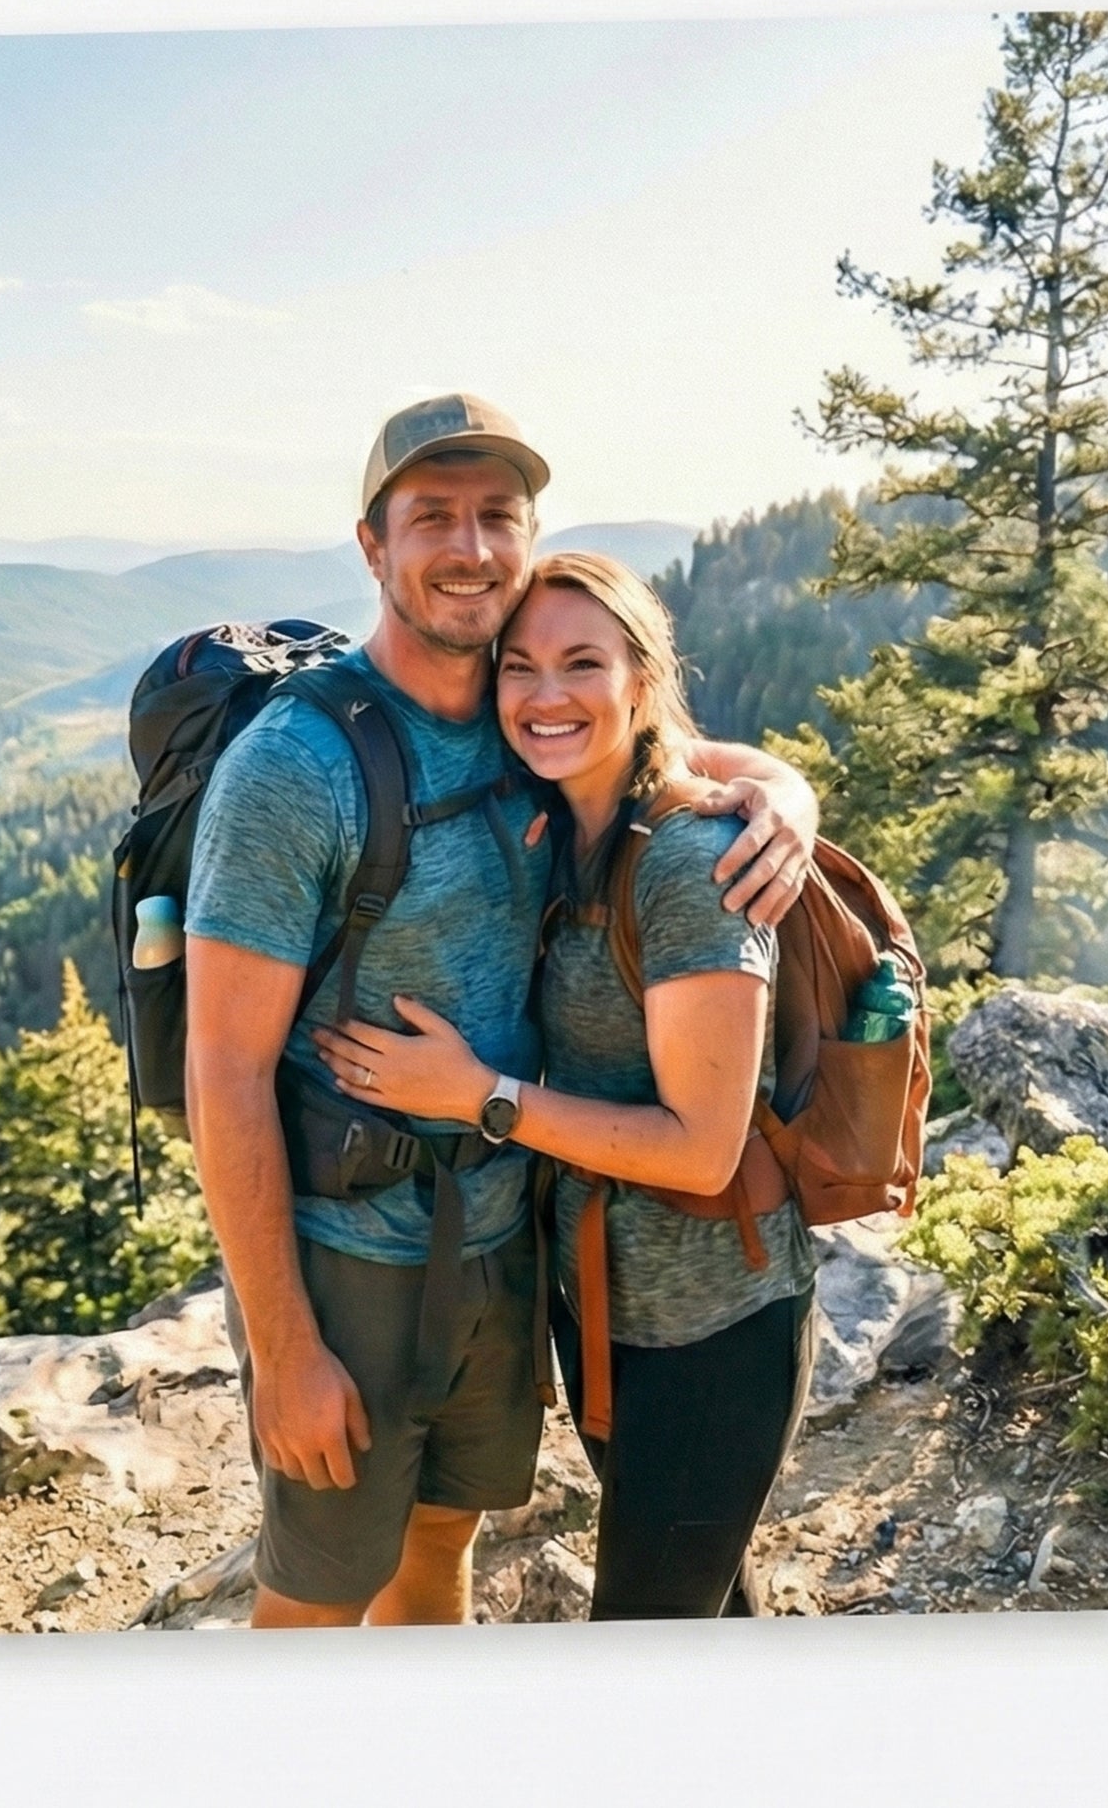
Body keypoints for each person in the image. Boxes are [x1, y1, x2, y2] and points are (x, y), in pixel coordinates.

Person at [182, 394, 819, 1628]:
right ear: (372, 545)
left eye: (496, 515)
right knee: (317, 1599)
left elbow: (658, 747)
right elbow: (223, 1065)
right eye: (432, 516)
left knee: (438, 1547)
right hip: (349, 1261)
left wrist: (782, 790)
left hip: (500, 1247)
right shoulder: (295, 766)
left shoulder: (513, 713)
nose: (468, 547)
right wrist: (286, 1346)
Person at [313, 549, 819, 1621]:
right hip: (606, 1314)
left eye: (583, 663)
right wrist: (789, 783)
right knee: (705, 1609)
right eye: (521, 666)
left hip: (713, 1329)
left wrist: (479, 1094)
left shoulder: (691, 862)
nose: (547, 695)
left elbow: (701, 1150)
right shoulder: (565, 820)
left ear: (641, 680)